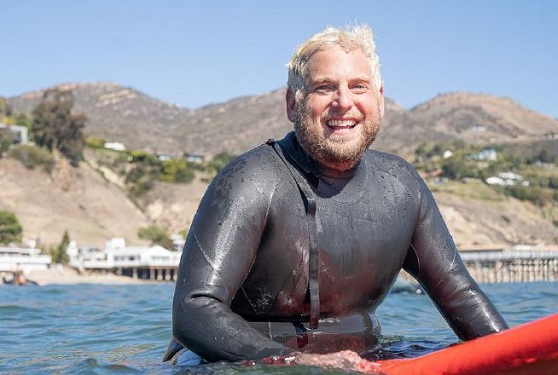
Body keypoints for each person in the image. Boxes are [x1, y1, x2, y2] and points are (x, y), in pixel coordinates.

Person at [164, 24, 508, 368]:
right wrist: (299, 364)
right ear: (292, 104)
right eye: (325, 87)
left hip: (361, 360)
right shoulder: (254, 180)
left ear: (380, 100)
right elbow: (194, 310)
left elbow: (460, 295)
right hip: (233, 363)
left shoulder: (400, 186)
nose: (344, 103)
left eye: (358, 86)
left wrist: (521, 358)